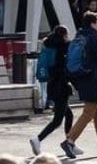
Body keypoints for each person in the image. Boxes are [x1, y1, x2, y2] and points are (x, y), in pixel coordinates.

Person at [61, 13, 97, 161]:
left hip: (82, 78)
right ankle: (70, 140)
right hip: (93, 79)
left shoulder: (79, 37)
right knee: (89, 112)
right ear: (92, 23)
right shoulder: (95, 39)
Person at [31, 26, 73, 156]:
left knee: (69, 114)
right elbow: (64, 67)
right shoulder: (63, 47)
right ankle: (38, 139)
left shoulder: (49, 45)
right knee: (57, 120)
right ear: (65, 34)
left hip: (52, 85)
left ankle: (71, 142)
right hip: (61, 86)